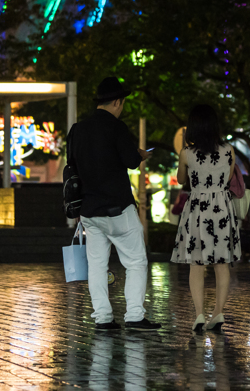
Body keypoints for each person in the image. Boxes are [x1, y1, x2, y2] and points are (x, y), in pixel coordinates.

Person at [74, 77, 159, 331]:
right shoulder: (116, 127)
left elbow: (74, 165)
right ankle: (134, 315)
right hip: (118, 208)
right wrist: (140, 155)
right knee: (135, 262)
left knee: (97, 265)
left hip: (89, 209)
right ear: (118, 102)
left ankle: (103, 318)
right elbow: (131, 161)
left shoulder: (78, 129)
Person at [171, 104, 242, 332]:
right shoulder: (228, 150)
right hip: (221, 207)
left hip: (198, 209)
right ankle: (218, 312)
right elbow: (228, 178)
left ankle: (199, 314)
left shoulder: (187, 153)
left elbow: (182, 180)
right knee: (222, 264)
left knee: (196, 264)